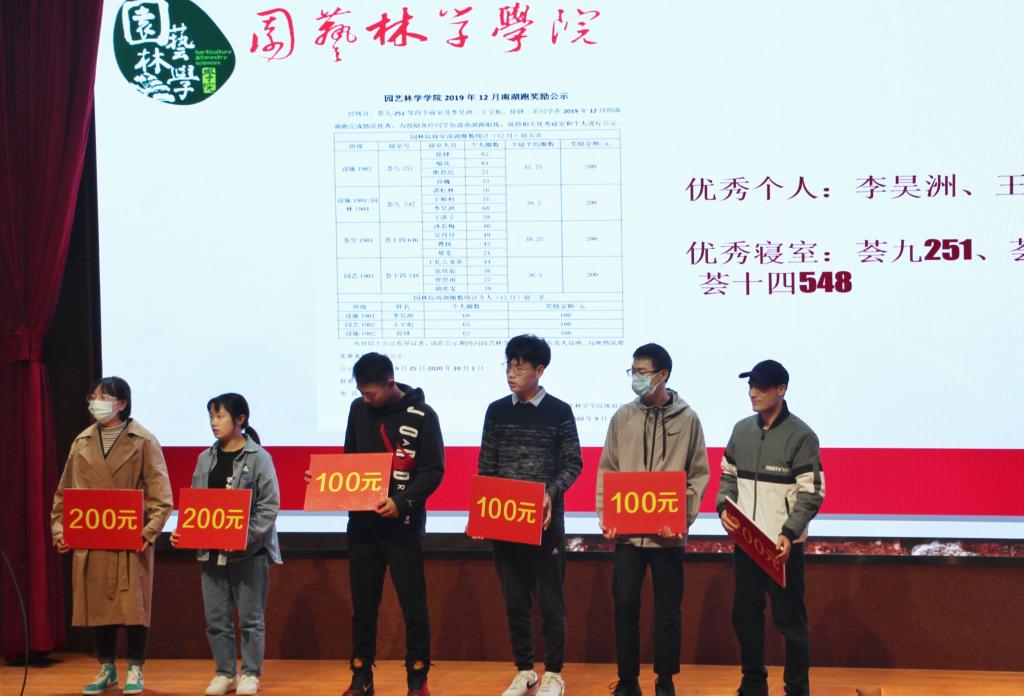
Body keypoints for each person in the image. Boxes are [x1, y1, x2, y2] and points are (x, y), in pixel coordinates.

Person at [323, 352, 444, 696]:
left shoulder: (423, 415)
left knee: (414, 607)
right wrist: (325, 480)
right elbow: (349, 460)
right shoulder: (357, 410)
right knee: (363, 608)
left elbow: (433, 471)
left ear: (390, 384)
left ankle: (417, 677)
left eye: (371, 393)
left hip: (403, 528)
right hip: (362, 527)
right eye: (361, 392)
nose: (366, 399)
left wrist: (401, 502)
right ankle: (361, 675)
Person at [596, 344, 709, 696]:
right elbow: (607, 469)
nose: (636, 378)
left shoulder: (688, 419)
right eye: (633, 371)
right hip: (628, 535)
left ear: (663, 375)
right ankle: (628, 680)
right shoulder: (622, 417)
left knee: (668, 611)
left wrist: (683, 518)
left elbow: (698, 475)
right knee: (625, 605)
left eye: (642, 372)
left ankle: (665, 679)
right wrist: (606, 517)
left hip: (667, 536)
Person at [50, 376, 173, 695]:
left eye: (103, 398)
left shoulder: (143, 440)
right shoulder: (82, 441)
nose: (96, 403)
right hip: (92, 536)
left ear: (122, 404)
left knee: (134, 606)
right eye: (93, 397)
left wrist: (149, 531)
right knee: (97, 604)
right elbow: (64, 493)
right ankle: (106, 668)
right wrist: (60, 530)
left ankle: (135, 667)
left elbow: (162, 496)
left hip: (130, 538)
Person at [476, 334, 583, 696]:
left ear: (539, 370)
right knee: (515, 602)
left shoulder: (559, 411)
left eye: (519, 367)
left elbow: (573, 463)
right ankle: (525, 671)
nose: (511, 373)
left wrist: (551, 492)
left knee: (551, 605)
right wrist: (482, 511)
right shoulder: (496, 410)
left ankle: (553, 673)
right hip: (504, 523)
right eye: (508, 365)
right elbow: (486, 466)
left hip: (544, 525)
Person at [716, 360, 825, 696]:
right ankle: (753, 683)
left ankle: (796, 688)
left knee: (790, 622)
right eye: (750, 386)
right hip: (747, 543)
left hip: (782, 547)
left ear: (781, 390)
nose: (753, 392)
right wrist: (723, 506)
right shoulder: (741, 430)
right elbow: (727, 476)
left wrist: (789, 532)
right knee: (745, 617)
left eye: (761, 387)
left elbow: (811, 493)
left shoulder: (801, 435)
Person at [170, 393, 281, 696]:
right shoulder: (205, 458)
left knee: (251, 620)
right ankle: (224, 673)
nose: (213, 422)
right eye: (211, 416)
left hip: (249, 554)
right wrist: (184, 531)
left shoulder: (259, 458)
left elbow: (269, 507)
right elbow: (196, 504)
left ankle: (250, 674)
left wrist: (244, 535)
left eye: (220, 416)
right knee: (216, 620)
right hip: (211, 554)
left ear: (240, 419)